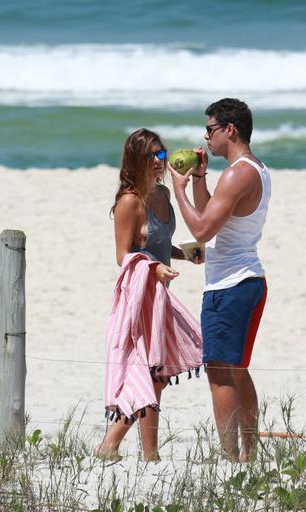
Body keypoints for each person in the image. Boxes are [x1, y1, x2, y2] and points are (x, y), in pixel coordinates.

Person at [167, 98, 271, 462]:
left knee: (220, 374)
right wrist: (198, 177)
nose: (206, 137)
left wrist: (177, 188)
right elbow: (213, 213)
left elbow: (201, 227)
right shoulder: (254, 169)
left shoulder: (239, 173)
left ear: (230, 129)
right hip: (246, 280)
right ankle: (247, 455)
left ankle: (230, 459)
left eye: (210, 129)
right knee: (238, 370)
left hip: (230, 286)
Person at [96, 128, 203, 462]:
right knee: (150, 374)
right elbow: (123, 255)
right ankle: (130, 449)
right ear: (136, 160)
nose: (160, 162)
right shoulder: (130, 202)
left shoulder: (163, 195)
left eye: (162, 154)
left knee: (157, 376)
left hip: (162, 296)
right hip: (140, 298)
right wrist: (153, 269)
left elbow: (159, 245)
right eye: (153, 156)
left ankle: (128, 449)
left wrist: (186, 254)